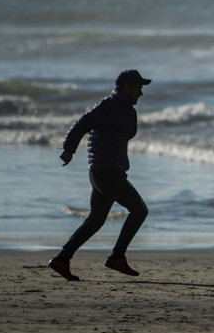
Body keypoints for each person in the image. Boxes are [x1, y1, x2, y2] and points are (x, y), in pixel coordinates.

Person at [48, 70, 152, 281]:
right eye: (138, 88)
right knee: (139, 210)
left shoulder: (122, 108)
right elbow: (83, 123)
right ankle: (117, 257)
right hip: (107, 172)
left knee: (95, 220)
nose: (141, 93)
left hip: (104, 171)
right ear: (126, 87)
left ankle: (61, 259)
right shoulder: (110, 106)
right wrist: (69, 149)